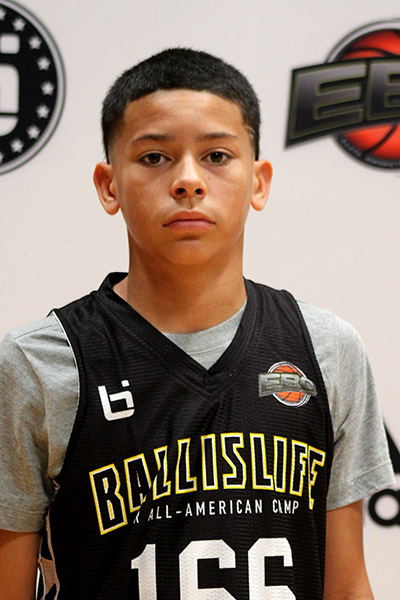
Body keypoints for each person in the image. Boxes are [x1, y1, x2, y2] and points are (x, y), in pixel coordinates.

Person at [0, 48, 394, 600]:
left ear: (259, 182)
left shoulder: (327, 350)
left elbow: (347, 587)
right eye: (154, 157)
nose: (188, 180)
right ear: (109, 185)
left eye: (216, 155)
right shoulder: (37, 364)